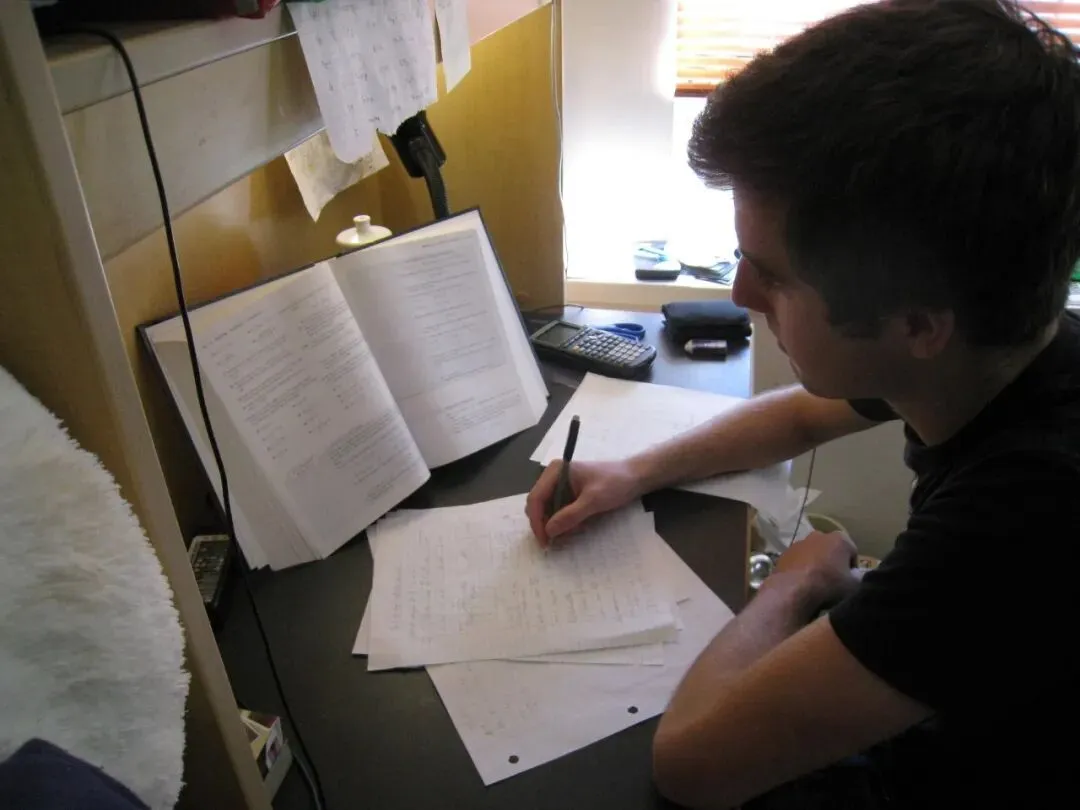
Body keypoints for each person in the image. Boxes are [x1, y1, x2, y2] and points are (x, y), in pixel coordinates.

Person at [525, 1, 1080, 807]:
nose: (741, 294)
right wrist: (633, 471)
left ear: (917, 324)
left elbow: (692, 765)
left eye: (774, 275)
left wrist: (796, 582)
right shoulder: (999, 348)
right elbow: (796, 416)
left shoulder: (1025, 517)